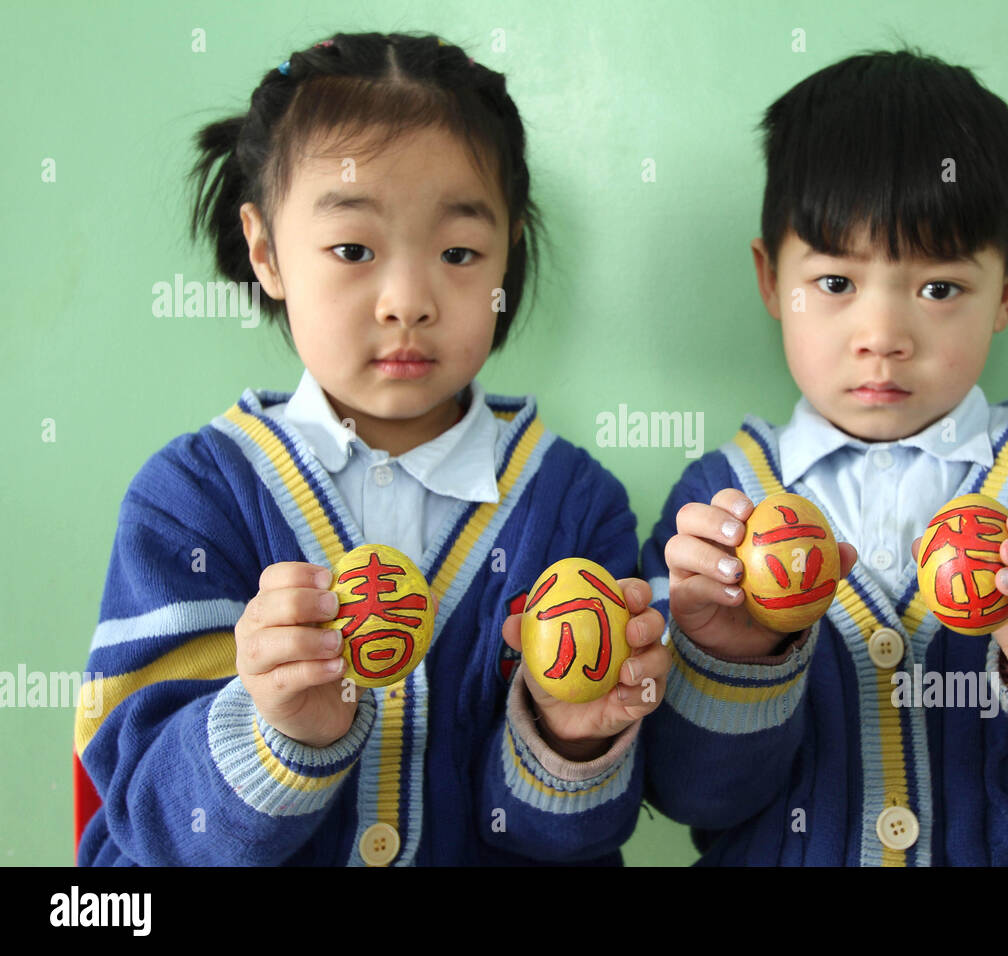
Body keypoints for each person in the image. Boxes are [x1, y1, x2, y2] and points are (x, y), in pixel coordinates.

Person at [640, 48, 1008, 865]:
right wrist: (730, 661)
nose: (884, 337)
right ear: (768, 277)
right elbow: (683, 794)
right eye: (833, 283)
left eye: (939, 288)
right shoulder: (714, 510)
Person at [74, 31, 668, 866]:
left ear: (511, 251)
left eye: (459, 253)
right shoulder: (189, 497)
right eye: (353, 250)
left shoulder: (574, 503)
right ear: (266, 250)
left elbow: (573, 841)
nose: (408, 301)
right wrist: (274, 730)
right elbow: (144, 821)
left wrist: (568, 741)